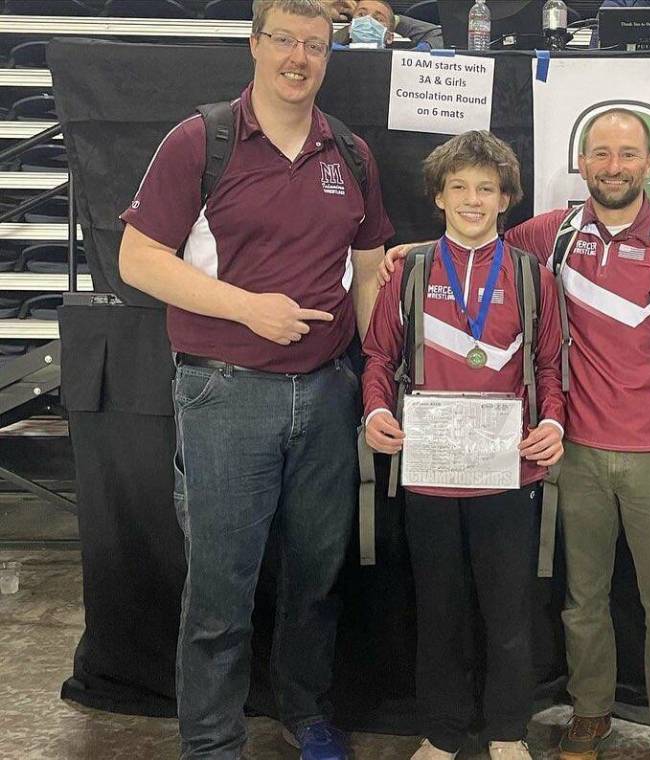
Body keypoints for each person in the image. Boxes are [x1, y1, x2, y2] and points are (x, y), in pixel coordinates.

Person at [381, 109, 650, 760]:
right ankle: (590, 714)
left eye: (627, 154)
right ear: (582, 163)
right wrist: (409, 257)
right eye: (600, 153)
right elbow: (474, 244)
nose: (614, 166)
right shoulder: (553, 234)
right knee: (581, 602)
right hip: (575, 455)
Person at [117, 1, 394, 758]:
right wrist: (250, 312)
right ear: (255, 46)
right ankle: (212, 740)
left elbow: (369, 277)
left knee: (315, 577)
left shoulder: (352, 154)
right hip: (224, 393)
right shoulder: (200, 141)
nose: (298, 57)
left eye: (315, 44)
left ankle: (305, 711)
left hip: (329, 392)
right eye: (284, 41)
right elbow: (138, 260)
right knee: (220, 589)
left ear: (330, 54)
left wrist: (380, 377)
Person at [362, 130, 566, 760]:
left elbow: (552, 367)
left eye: (486, 188)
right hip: (429, 473)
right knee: (439, 612)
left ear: (506, 198)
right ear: (439, 197)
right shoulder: (411, 271)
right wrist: (374, 409)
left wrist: (553, 424)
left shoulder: (533, 277)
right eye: (459, 188)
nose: (473, 200)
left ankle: (508, 731)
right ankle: (443, 732)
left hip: (508, 474)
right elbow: (377, 355)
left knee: (509, 613)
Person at [328, 0, 444, 49]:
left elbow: (440, 35)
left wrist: (397, 20)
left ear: (390, 37)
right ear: (351, 27)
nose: (368, 20)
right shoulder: (331, 53)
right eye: (362, 14)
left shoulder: (401, 61)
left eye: (378, 19)